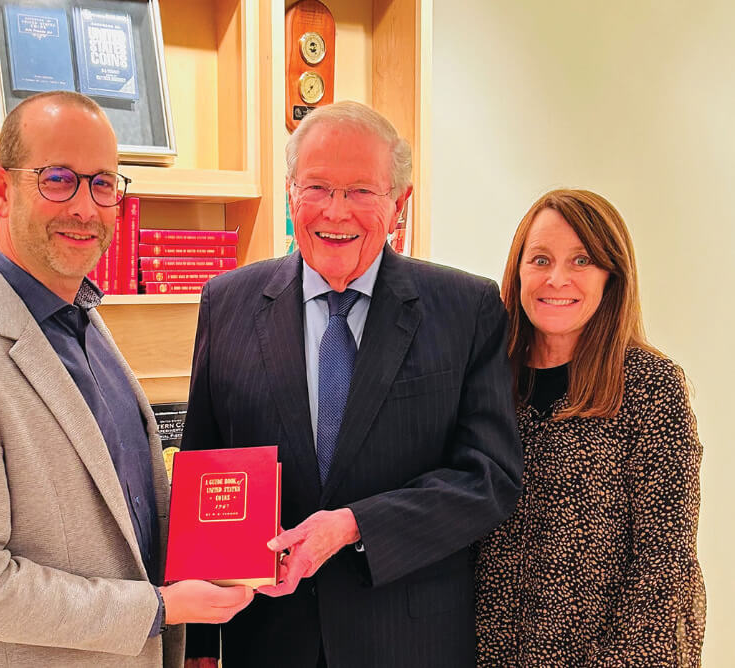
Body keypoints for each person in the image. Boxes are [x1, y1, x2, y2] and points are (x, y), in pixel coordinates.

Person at [0, 91, 253, 667]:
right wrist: (158, 608)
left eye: (103, 183)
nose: (85, 207)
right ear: (1, 191)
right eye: (58, 179)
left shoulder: (82, 320)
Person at [180, 101, 522, 668]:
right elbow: (202, 472)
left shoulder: (467, 309)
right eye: (317, 187)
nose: (336, 212)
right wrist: (198, 649)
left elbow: (489, 478)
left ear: (398, 205)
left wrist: (354, 525)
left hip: (409, 641)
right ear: (291, 194)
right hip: (265, 639)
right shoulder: (227, 302)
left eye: (362, 191)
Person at [475, 189, 706, 665]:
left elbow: (664, 562)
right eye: (540, 259)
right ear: (518, 271)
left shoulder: (649, 388)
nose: (557, 278)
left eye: (581, 260)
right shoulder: (486, 380)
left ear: (611, 276)